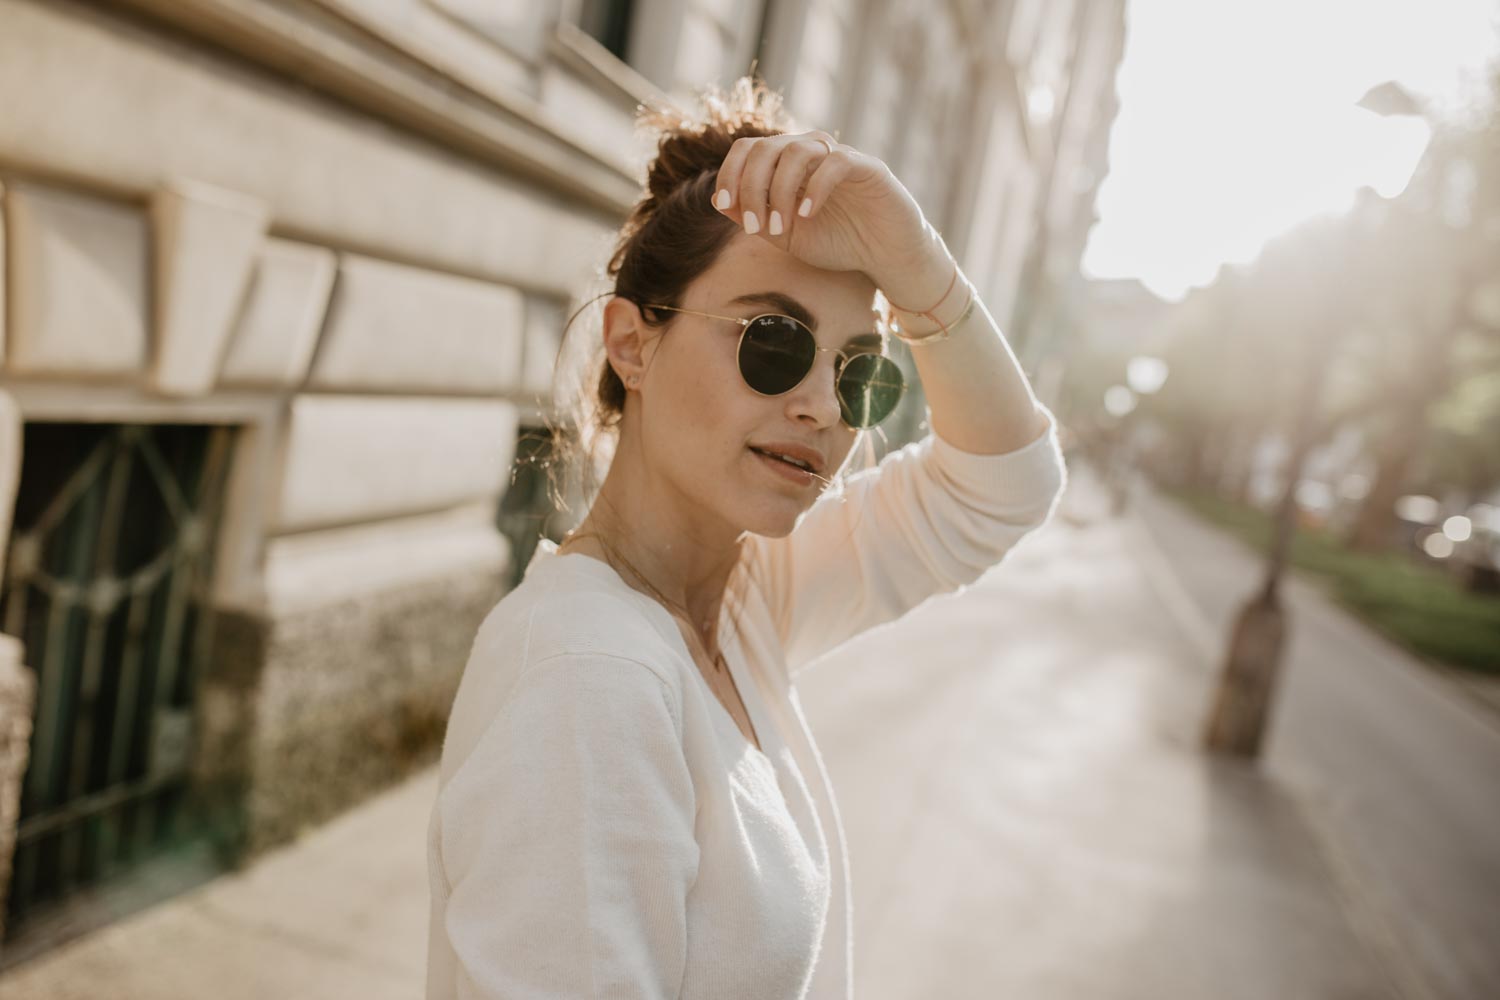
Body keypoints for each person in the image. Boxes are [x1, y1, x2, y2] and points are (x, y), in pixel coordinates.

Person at [425, 75, 1068, 1000]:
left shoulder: (739, 597)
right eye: (773, 340)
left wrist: (916, 261)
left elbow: (1006, 487)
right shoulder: (590, 679)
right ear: (632, 344)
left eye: (860, 373)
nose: (819, 406)